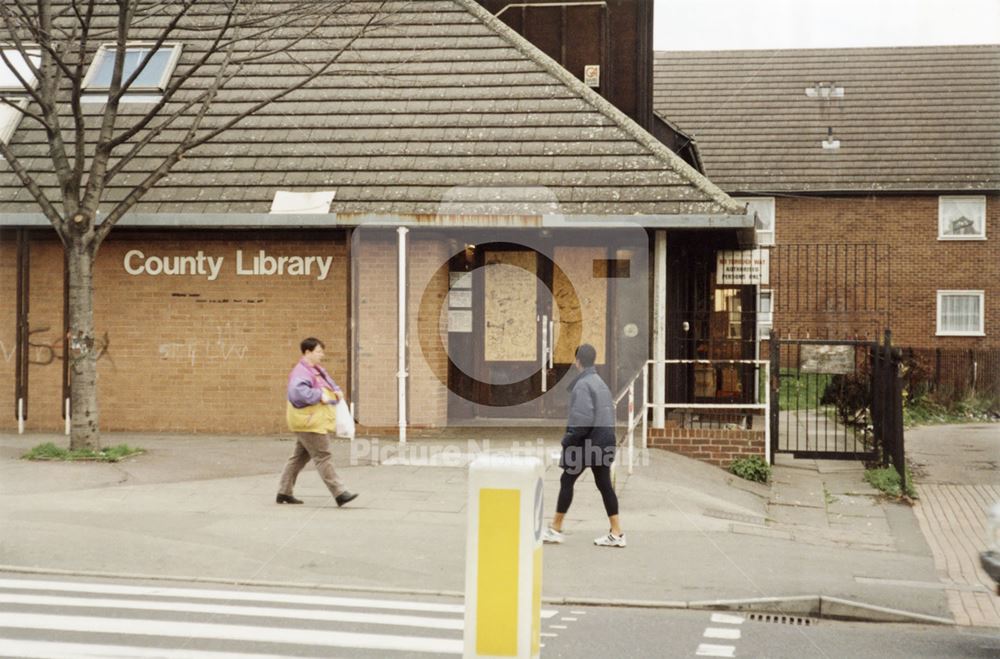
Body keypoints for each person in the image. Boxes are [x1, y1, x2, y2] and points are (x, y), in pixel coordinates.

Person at [542, 343, 625, 547]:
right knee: (605, 485)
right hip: (603, 440)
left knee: (567, 480)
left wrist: (567, 441)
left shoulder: (583, 385)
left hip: (587, 443)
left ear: (577, 362)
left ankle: (555, 528)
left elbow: (581, 420)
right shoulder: (599, 382)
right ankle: (616, 532)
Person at [276, 337, 359, 507]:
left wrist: (335, 391)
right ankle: (340, 493)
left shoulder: (315, 370)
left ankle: (284, 492)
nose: (322, 354)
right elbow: (296, 393)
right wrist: (320, 395)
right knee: (323, 456)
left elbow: (329, 385)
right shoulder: (302, 373)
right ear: (308, 352)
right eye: (319, 351)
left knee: (298, 458)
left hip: (310, 421)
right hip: (309, 422)